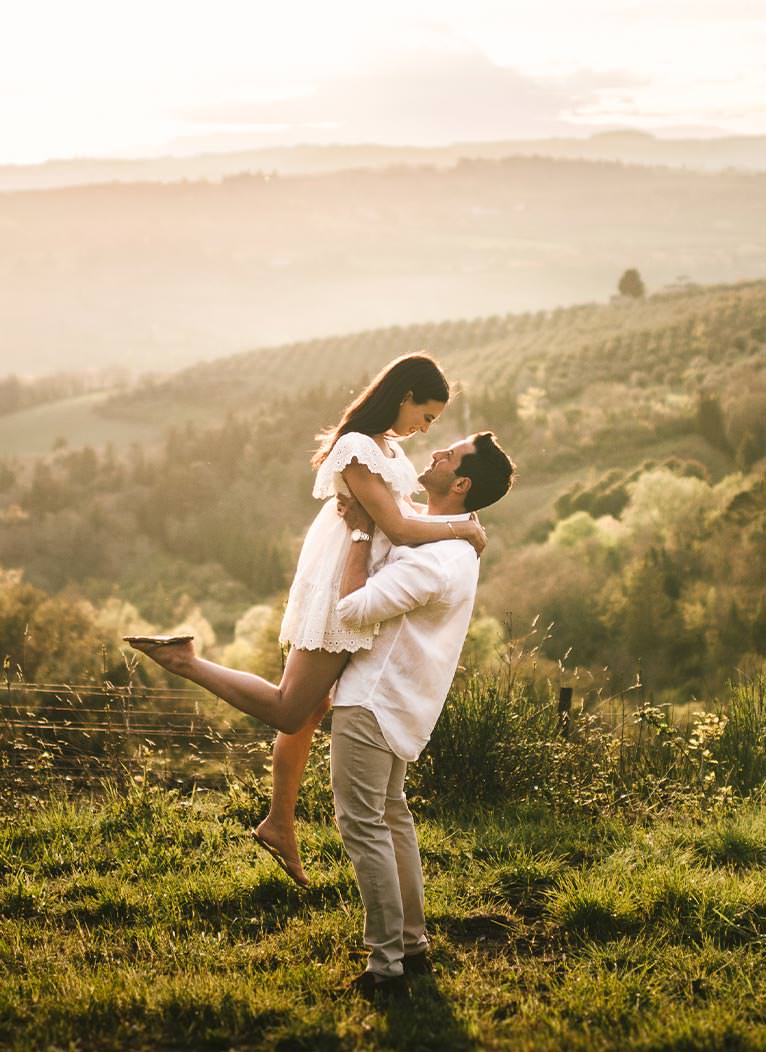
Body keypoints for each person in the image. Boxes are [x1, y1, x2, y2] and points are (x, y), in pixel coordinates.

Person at [125, 354, 486, 886]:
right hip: (343, 578)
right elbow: (400, 528)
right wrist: (463, 530)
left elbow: (401, 520)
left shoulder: (387, 446)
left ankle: (279, 821)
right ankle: (185, 660)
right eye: (426, 415)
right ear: (404, 395)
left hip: (358, 571)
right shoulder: (358, 446)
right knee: (291, 708)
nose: (425, 429)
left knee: (312, 704)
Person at [330, 430, 515, 1000]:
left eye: (448, 455)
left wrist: (360, 530)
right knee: (392, 818)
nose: (434, 453)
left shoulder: (437, 560)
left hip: (372, 701)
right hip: (402, 704)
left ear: (460, 483)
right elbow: (406, 519)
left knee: (364, 827)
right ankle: (412, 945)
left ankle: (386, 966)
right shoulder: (453, 546)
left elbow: (352, 610)